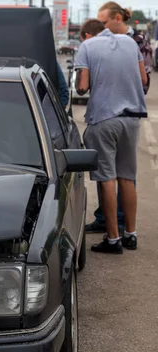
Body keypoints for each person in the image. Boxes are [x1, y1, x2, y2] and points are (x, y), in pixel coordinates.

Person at [75, 18, 148, 253]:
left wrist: (82, 79)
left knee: (107, 178)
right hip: (132, 119)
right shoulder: (129, 42)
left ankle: (113, 239)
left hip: (104, 119)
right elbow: (144, 80)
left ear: (87, 35)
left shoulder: (87, 47)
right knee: (127, 177)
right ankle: (131, 234)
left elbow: (82, 87)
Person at [86, 1, 153, 234]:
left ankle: (119, 228)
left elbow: (144, 80)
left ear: (117, 19)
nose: (101, 28)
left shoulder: (137, 42)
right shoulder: (108, 43)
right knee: (110, 175)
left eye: (104, 23)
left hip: (119, 112)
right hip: (121, 113)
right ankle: (111, 222)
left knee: (119, 175)